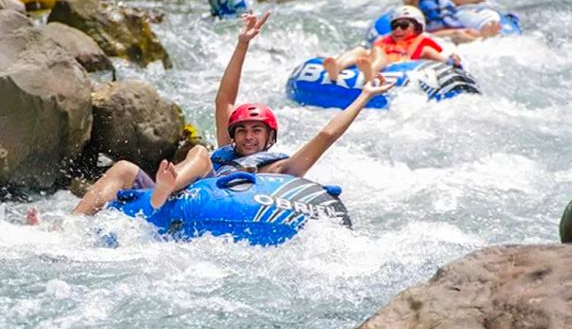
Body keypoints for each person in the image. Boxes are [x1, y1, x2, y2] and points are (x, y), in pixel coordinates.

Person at [27, 12, 393, 225]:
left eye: (256, 131)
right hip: (179, 190)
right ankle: (70, 227)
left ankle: (165, 189)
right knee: (128, 166)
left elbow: (328, 134)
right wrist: (243, 43)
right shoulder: (223, 152)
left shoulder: (283, 170)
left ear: (269, 139)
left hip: (236, 204)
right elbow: (225, 98)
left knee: (200, 154)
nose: (248, 136)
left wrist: (363, 96)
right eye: (243, 130)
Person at [322, 6, 461, 83]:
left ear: (417, 27)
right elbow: (369, 53)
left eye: (404, 25)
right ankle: (335, 68)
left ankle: (370, 73)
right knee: (360, 50)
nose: (398, 29)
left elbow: (439, 58)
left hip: (398, 67)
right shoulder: (384, 40)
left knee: (378, 51)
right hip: (373, 62)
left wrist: (451, 61)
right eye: (395, 25)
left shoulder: (424, 44)